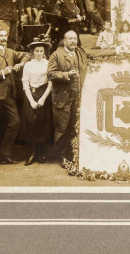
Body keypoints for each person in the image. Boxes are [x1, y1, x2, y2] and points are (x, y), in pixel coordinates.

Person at [0, 28, 31, 164]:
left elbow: (27, 55)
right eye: (1, 36)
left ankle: (4, 152)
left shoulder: (9, 52)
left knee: (15, 122)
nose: (4, 38)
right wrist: (3, 72)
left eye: (5, 36)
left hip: (9, 93)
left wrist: (21, 63)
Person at [47, 30, 88, 166]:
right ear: (64, 41)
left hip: (76, 98)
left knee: (73, 127)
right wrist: (66, 75)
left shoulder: (80, 53)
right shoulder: (56, 55)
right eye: (70, 38)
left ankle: (72, 154)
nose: (73, 41)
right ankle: (61, 156)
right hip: (62, 98)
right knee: (62, 129)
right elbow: (50, 74)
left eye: (75, 38)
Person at [20, 34, 54, 165]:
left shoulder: (48, 64)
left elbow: (51, 83)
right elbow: (25, 83)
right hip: (31, 95)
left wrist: (43, 99)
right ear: (32, 52)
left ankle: (41, 153)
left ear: (44, 52)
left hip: (43, 94)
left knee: (42, 124)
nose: (39, 53)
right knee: (31, 124)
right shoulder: (28, 65)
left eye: (41, 51)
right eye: (37, 51)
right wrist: (32, 101)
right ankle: (32, 152)